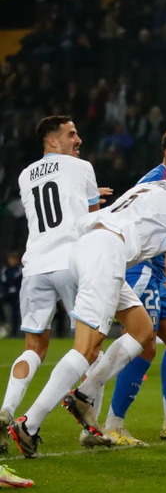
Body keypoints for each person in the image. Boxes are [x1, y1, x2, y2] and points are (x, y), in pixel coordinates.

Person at [8, 153, 166, 458]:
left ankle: (84, 395)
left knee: (143, 331)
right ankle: (29, 424)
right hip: (106, 252)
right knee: (87, 348)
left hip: (91, 247)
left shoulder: (154, 188)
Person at [1, 116, 105, 454]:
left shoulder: (24, 174)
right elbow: (92, 219)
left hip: (35, 266)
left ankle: (6, 410)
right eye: (71, 134)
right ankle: (92, 427)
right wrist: (94, 200)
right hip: (72, 262)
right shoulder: (82, 168)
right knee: (92, 346)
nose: (78, 139)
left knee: (33, 347)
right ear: (52, 140)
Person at [102, 126, 166, 446]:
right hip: (140, 267)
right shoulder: (155, 183)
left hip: (158, 273)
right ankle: (112, 425)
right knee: (143, 344)